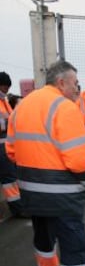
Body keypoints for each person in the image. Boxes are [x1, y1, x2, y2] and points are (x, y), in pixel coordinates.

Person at [6, 60, 85, 266]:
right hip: (63, 195)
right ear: (61, 82)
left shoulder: (22, 107)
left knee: (43, 237)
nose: (78, 88)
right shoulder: (64, 108)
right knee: (74, 248)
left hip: (31, 192)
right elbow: (80, 160)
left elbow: (11, 151)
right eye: (75, 83)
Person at [0, 72, 25, 218]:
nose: (7, 90)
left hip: (6, 144)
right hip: (2, 146)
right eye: (5, 87)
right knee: (9, 178)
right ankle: (18, 209)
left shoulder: (3, 101)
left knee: (11, 177)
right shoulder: (2, 101)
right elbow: (7, 122)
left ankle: (18, 207)